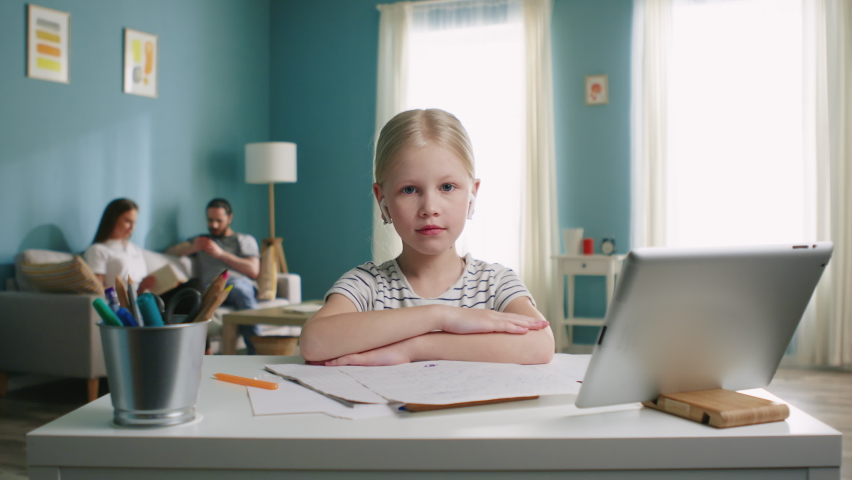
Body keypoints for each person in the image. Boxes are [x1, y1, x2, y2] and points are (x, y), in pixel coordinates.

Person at [299, 109, 554, 366]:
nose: (429, 207)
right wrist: (439, 317)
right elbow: (314, 343)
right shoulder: (367, 285)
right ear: (382, 200)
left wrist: (415, 348)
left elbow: (540, 345)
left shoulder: (495, 284)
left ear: (472, 195)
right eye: (409, 190)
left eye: (447, 187)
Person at [166, 198, 262, 354]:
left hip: (237, 284)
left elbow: (253, 270)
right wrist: (193, 247)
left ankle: (256, 352)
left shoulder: (244, 240)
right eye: (210, 220)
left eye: (219, 220)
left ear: (230, 218)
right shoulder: (203, 240)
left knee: (239, 290)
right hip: (211, 287)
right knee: (193, 294)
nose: (214, 225)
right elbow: (168, 252)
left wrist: (221, 254)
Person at [85, 198, 158, 293]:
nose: (132, 227)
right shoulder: (98, 250)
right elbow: (98, 291)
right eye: (127, 221)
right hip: (123, 304)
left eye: (134, 222)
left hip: (146, 299)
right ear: (113, 219)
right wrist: (140, 289)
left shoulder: (135, 249)